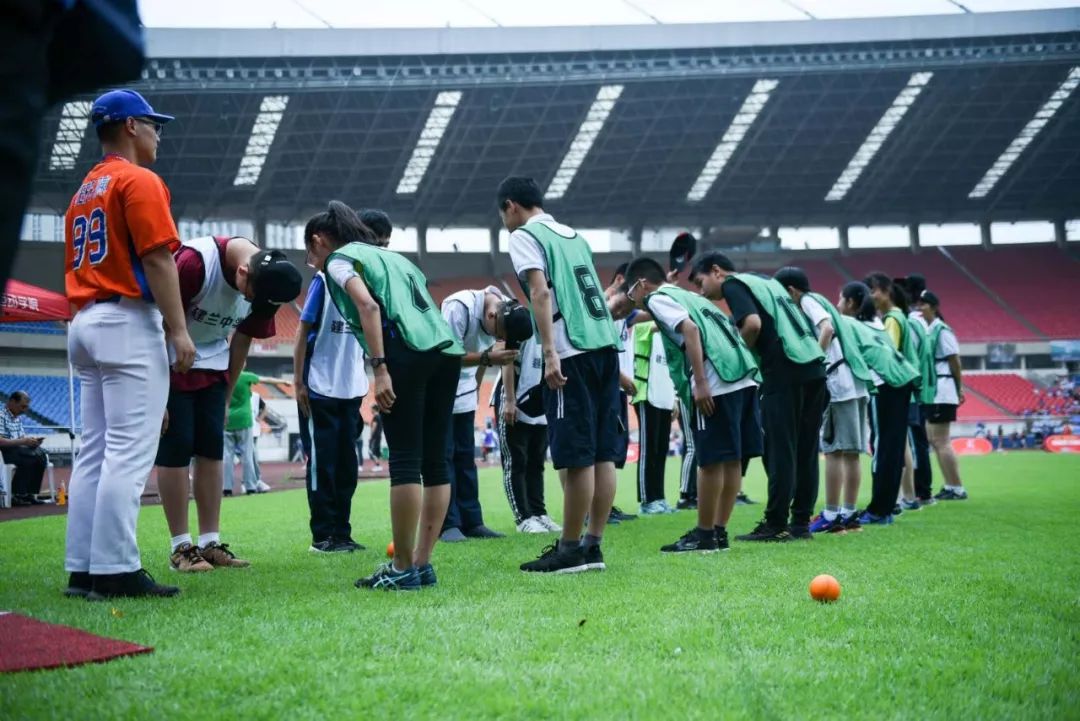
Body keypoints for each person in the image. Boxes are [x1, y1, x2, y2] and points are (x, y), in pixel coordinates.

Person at [63, 89, 196, 600]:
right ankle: (116, 570)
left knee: (94, 452)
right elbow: (159, 259)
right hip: (125, 320)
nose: (159, 133)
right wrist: (178, 328)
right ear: (131, 127)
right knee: (126, 454)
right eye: (153, 123)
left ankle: (83, 568)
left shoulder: (84, 188)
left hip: (85, 319)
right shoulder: (139, 179)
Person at [311, 200, 464, 591]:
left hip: (405, 355)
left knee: (406, 461)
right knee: (436, 463)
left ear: (319, 241)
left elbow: (367, 304)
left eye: (311, 252)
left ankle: (400, 567)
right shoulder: (397, 260)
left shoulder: (340, 260)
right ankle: (421, 564)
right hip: (446, 353)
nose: (312, 260)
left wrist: (379, 368)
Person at [154, 235, 301, 573]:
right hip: (172, 364)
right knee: (175, 451)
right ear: (242, 271)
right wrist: (157, 390)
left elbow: (242, 341)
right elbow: (159, 323)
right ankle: (180, 548)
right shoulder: (195, 263)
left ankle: (209, 543)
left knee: (211, 452)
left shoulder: (268, 284)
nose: (249, 301)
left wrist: (227, 394)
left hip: (214, 367)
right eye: (249, 294)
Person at [501, 176, 622, 573]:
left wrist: (550, 352)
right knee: (603, 453)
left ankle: (569, 550)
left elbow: (540, 292)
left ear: (511, 206)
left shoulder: (524, 234)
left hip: (571, 351)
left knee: (576, 456)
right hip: (604, 345)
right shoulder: (573, 235)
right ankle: (593, 545)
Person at [623, 258, 762, 553]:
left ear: (641, 284)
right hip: (743, 376)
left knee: (710, 460)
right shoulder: (688, 295)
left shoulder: (658, 297)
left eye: (630, 291)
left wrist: (700, 382)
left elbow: (690, 330)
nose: (631, 299)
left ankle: (704, 534)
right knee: (732, 459)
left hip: (715, 381)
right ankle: (719, 532)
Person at [689, 252, 826, 542]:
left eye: (700, 282)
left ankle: (775, 524)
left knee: (781, 450)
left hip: (784, 370)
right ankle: (800, 523)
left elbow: (751, 324)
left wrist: (742, 353)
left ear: (716, 271)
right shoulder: (768, 283)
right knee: (806, 450)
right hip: (814, 367)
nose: (701, 291)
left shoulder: (734, 284)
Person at [773, 268, 874, 536]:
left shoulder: (807, 301)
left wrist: (815, 363)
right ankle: (849, 514)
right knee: (852, 451)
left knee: (833, 450)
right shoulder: (824, 300)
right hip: (854, 381)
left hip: (838, 383)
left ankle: (830, 514)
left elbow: (826, 328)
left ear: (792, 291)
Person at [439, 285, 532, 541]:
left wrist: (475, 388)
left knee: (466, 457)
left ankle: (472, 521)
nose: (497, 339)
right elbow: (445, 356)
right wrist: (486, 359)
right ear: (491, 317)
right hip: (441, 390)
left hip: (465, 392)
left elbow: (487, 356)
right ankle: (447, 524)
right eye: (499, 335)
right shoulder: (459, 307)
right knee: (444, 457)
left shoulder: (504, 308)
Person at [294, 266, 369, 553]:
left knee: (347, 468)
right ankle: (322, 537)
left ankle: (342, 533)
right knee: (322, 467)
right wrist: (298, 381)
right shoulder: (324, 281)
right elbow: (302, 330)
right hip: (319, 388)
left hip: (351, 391)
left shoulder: (370, 282)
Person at [854, 280, 923, 525]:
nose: (871, 296)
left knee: (884, 446)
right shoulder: (895, 318)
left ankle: (880, 508)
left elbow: (886, 354)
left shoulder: (890, 320)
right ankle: (890, 505)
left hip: (888, 385)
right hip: (903, 385)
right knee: (895, 448)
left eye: (873, 290)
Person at [494, 331, 560, 533]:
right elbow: (506, 359)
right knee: (517, 461)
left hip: (540, 405)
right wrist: (510, 400)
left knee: (536, 463)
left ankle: (539, 513)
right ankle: (523, 516)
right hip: (515, 402)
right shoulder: (523, 325)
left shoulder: (553, 328)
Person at [916, 291, 969, 501]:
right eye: (918, 305)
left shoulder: (942, 331)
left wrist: (959, 387)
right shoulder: (931, 330)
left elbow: (955, 361)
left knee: (941, 441)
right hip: (935, 389)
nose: (920, 308)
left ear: (934, 307)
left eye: (924, 305)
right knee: (936, 440)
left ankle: (957, 487)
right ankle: (950, 485)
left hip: (943, 388)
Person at [630, 319, 677, 514]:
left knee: (660, 450)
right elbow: (664, 323)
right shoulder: (643, 329)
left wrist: (674, 399)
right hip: (646, 395)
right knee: (649, 450)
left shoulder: (667, 339)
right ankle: (647, 500)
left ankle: (659, 497)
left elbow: (670, 370)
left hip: (665, 399)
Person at [0, 391, 47, 506]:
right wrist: (23, 441)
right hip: (4, 452)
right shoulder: (1, 416)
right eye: (22, 406)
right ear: (12, 402)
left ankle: (29, 493)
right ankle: (17, 495)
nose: (24, 410)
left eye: (26, 407)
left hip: (17, 450)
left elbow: (22, 438)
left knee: (41, 455)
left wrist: (32, 442)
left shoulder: (17, 418)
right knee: (29, 457)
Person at [223, 368, 261, 496]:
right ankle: (250, 486)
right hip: (244, 420)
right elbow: (261, 379)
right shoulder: (246, 376)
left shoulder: (225, 376)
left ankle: (226, 488)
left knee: (227, 457)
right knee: (247, 455)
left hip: (227, 420)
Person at [367, 404, 384, 472]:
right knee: (377, 452)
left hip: (375, 437)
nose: (370, 410)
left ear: (374, 409)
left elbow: (374, 427)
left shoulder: (376, 417)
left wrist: (370, 437)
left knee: (372, 452)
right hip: (378, 436)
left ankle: (378, 465)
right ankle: (378, 466)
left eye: (371, 409)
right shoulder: (379, 416)